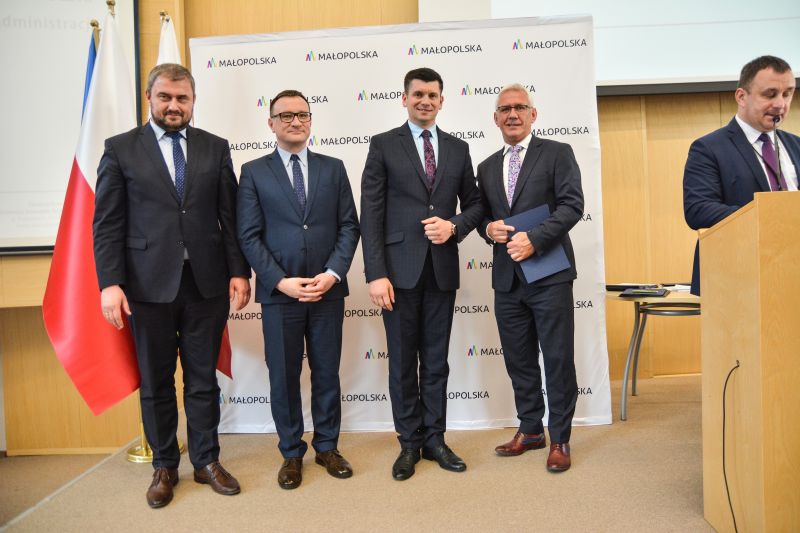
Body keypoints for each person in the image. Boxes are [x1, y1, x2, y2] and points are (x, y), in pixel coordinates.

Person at [93, 63, 251, 508]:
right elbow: (107, 224)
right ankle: (164, 465)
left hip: (206, 284)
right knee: (157, 382)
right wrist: (110, 283)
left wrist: (239, 271)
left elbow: (229, 216)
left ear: (193, 100)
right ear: (150, 98)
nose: (174, 105)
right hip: (146, 288)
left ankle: (206, 461)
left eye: (183, 98)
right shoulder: (121, 149)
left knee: (202, 381)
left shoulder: (215, 147)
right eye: (165, 97)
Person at [360, 67, 483, 481]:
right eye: (418, 94)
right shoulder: (383, 145)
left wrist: (454, 226)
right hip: (397, 274)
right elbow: (370, 213)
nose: (425, 101)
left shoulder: (458, 148)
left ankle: (435, 440)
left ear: (442, 101)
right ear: (405, 98)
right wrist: (376, 273)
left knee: (435, 362)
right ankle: (409, 444)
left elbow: (476, 205)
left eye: (432, 95)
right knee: (401, 363)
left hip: (441, 271)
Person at [237, 90, 359, 490]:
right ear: (271, 123)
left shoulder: (333, 168)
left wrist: (333, 273)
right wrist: (280, 281)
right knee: (284, 377)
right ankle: (291, 452)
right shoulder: (253, 172)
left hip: (327, 292)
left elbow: (349, 225)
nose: (295, 121)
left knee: (326, 372)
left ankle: (327, 447)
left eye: (302, 114)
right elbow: (248, 235)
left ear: (311, 121)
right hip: (280, 295)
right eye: (285, 115)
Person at [476, 83, 584, 473]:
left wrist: (534, 239)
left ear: (533, 114)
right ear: (495, 118)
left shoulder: (557, 152)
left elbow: (572, 205)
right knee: (519, 360)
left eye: (520, 107)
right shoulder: (486, 167)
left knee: (557, 359)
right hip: (507, 280)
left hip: (549, 274)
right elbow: (483, 217)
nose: (512, 114)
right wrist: (487, 229)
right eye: (505, 109)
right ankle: (531, 429)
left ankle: (561, 438)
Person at [683, 55, 798, 295]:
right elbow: (698, 210)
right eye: (770, 94)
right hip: (735, 279)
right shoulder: (708, 148)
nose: (781, 104)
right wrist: (768, 216)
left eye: (787, 94)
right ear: (741, 97)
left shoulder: (796, 146)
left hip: (791, 274)